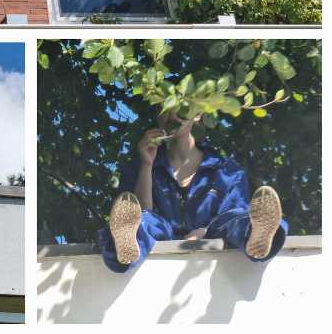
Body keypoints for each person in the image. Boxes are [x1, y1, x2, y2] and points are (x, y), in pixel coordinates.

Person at [96, 111, 287, 272]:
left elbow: (232, 213)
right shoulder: (138, 167)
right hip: (161, 237)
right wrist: (146, 164)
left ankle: (256, 235)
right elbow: (142, 211)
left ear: (197, 114)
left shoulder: (226, 170)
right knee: (144, 220)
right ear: (158, 115)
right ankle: (127, 249)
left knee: (236, 217)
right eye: (164, 107)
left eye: (180, 106)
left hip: (213, 235)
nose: (172, 114)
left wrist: (203, 232)